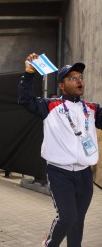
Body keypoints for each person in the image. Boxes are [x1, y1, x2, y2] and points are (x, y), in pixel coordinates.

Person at [18, 53, 102, 247]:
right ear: (62, 85)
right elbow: (25, 100)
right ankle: (50, 244)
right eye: (73, 78)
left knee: (78, 220)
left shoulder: (91, 108)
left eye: (80, 77)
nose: (79, 81)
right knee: (67, 217)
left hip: (84, 174)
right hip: (59, 173)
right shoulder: (50, 106)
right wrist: (29, 73)